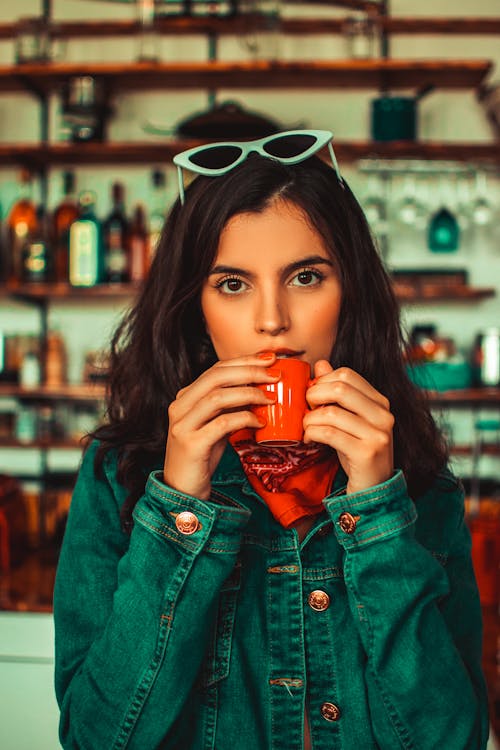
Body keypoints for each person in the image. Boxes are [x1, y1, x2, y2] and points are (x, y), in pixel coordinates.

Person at [53, 131, 489, 750]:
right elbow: (94, 740)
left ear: (350, 294)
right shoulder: (117, 474)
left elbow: (455, 740)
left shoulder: (417, 483)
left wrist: (375, 511)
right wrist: (180, 503)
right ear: (194, 310)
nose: (271, 320)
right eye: (232, 284)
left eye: (306, 277)